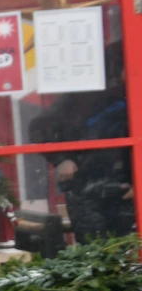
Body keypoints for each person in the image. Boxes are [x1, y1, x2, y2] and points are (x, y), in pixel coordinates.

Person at [29, 45, 134, 243]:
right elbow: (39, 128)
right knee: (93, 254)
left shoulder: (132, 97)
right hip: (85, 189)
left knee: (127, 255)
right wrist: (61, 159)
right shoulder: (80, 98)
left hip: (124, 191)